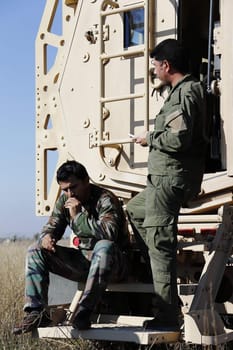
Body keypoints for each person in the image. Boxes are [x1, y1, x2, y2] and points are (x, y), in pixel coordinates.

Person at [126, 39, 207, 331]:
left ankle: (166, 316)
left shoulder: (184, 93)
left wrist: (151, 138)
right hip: (164, 179)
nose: (154, 71)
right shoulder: (183, 91)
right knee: (134, 211)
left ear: (166, 66)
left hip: (170, 178)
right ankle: (163, 253)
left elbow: (178, 138)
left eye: (155, 66)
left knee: (159, 243)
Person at [13, 160, 129, 335]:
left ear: (86, 181)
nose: (69, 193)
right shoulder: (65, 201)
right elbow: (52, 225)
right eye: (65, 189)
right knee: (35, 249)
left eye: (73, 187)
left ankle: (84, 311)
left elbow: (109, 233)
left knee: (103, 247)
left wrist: (77, 218)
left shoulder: (105, 199)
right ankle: (36, 312)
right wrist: (48, 237)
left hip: (115, 265)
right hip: (86, 263)